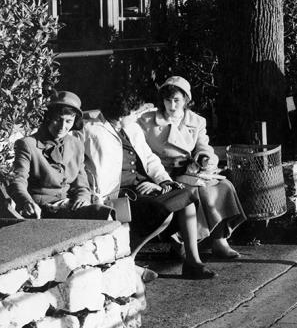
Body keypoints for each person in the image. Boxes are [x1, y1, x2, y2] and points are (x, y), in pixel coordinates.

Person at [83, 99, 215, 280]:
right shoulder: (92, 130)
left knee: (186, 195)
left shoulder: (132, 128)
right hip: (119, 194)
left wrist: (163, 182)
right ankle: (129, 260)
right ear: (121, 115)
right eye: (132, 114)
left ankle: (193, 262)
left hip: (143, 187)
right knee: (165, 209)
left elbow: (149, 158)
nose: (136, 117)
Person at [139, 76, 245, 258]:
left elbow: (203, 146)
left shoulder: (196, 121)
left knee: (223, 186)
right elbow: (141, 152)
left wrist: (203, 158)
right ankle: (182, 242)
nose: (172, 105)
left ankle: (220, 240)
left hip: (190, 170)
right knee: (198, 192)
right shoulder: (148, 121)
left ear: (186, 100)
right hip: (164, 174)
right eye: (167, 100)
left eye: (177, 100)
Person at [8, 91, 112, 220]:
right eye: (58, 119)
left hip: (70, 205)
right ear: (48, 117)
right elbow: (18, 181)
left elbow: (81, 183)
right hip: (41, 210)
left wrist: (83, 198)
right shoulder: (28, 144)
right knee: (100, 214)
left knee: (109, 215)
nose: (63, 127)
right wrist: (26, 202)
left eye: (69, 121)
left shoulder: (76, 145)